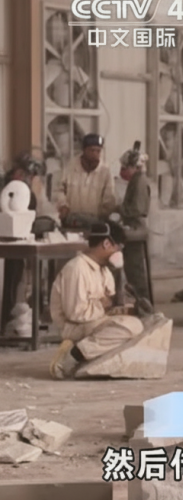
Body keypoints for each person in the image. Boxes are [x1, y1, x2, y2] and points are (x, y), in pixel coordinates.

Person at [49, 221, 146, 379]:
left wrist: (131, 307)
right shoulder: (77, 268)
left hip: (95, 320)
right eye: (118, 247)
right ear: (107, 243)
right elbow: (76, 314)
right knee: (132, 327)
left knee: (142, 323)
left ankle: (86, 359)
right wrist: (106, 303)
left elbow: (111, 304)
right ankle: (72, 356)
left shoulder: (105, 271)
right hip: (74, 326)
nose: (119, 252)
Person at [1, 154, 46, 330]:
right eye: (25, 174)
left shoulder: (27, 194)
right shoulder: (5, 189)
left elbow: (30, 214)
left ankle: (6, 318)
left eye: (30, 176)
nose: (27, 179)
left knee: (13, 281)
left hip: (18, 246)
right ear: (17, 172)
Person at [115, 142, 152, 304]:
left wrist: (119, 208)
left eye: (125, 168)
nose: (122, 171)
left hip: (136, 229)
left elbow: (137, 209)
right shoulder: (135, 180)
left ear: (134, 167)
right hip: (133, 228)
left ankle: (143, 303)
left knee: (136, 270)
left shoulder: (140, 182)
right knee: (131, 269)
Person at [54, 133, 117, 225]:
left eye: (98, 151)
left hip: (95, 223)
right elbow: (58, 190)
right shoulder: (70, 167)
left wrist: (102, 215)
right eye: (92, 150)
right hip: (71, 221)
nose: (95, 154)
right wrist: (63, 205)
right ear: (84, 150)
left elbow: (109, 199)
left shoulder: (105, 171)